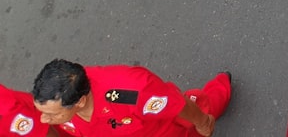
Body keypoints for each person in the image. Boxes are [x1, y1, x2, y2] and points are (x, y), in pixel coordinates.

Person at [32, 59, 230, 136]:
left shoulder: (134, 91)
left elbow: (177, 105)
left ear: (80, 102)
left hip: (167, 131)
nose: (43, 120)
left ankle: (222, 86)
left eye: (50, 115)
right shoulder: (60, 106)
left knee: (206, 106)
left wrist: (203, 122)